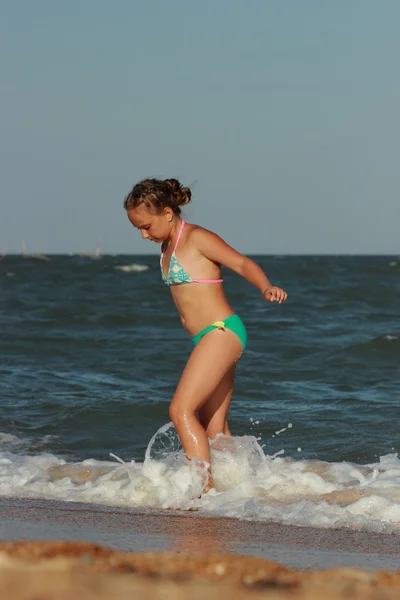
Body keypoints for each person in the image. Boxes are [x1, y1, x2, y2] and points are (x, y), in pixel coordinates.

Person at [124, 178, 287, 493]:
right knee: (216, 431)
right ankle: (243, 489)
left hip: (222, 332)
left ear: (168, 213)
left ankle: (203, 493)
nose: (144, 234)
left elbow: (241, 262)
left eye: (146, 226)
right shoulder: (165, 246)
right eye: (138, 230)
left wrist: (265, 286)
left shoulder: (197, 238)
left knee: (180, 410)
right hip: (208, 338)